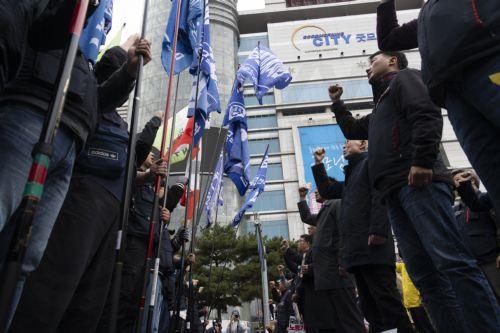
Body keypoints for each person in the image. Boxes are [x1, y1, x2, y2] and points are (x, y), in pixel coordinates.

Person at [328, 50, 500, 332]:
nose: (368, 67)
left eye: (374, 61)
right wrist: (337, 104)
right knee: (424, 275)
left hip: (419, 182)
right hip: (393, 192)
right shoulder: (381, 107)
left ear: (393, 61)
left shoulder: (406, 79)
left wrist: (421, 161)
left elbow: (426, 113)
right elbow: (352, 128)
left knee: (452, 262)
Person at [7, 42, 152, 332]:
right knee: (55, 283)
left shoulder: (118, 121)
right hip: (84, 195)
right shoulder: (90, 97)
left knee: (90, 299)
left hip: (113, 209)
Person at [376, 0, 500, 217]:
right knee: (493, 174)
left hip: (488, 64)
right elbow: (389, 39)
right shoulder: (427, 16)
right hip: (453, 96)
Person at [312, 142, 413, 333]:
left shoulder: (370, 163)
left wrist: (379, 231)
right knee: (369, 307)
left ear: (364, 144)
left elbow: (379, 196)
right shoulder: (352, 175)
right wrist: (318, 164)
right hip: (357, 252)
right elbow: (327, 191)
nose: (344, 146)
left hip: (374, 247)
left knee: (386, 302)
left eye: (348, 142)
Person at [297, 188, 365, 333]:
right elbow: (307, 217)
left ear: (331, 188)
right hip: (326, 278)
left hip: (338, 274)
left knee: (349, 320)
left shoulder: (337, 203)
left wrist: (343, 261)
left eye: (321, 187)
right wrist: (302, 198)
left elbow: (344, 233)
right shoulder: (324, 211)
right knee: (334, 323)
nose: (316, 191)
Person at [453, 170, 500, 302]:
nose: (456, 185)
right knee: (489, 303)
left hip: (492, 262)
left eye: (458, 180)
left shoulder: (488, 199)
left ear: (472, 181)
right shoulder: (456, 211)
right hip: (472, 266)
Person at [395, 260, 435, 333]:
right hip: (410, 304)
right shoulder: (403, 266)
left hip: (419, 303)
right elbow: (394, 265)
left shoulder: (416, 265)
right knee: (420, 327)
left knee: (426, 327)